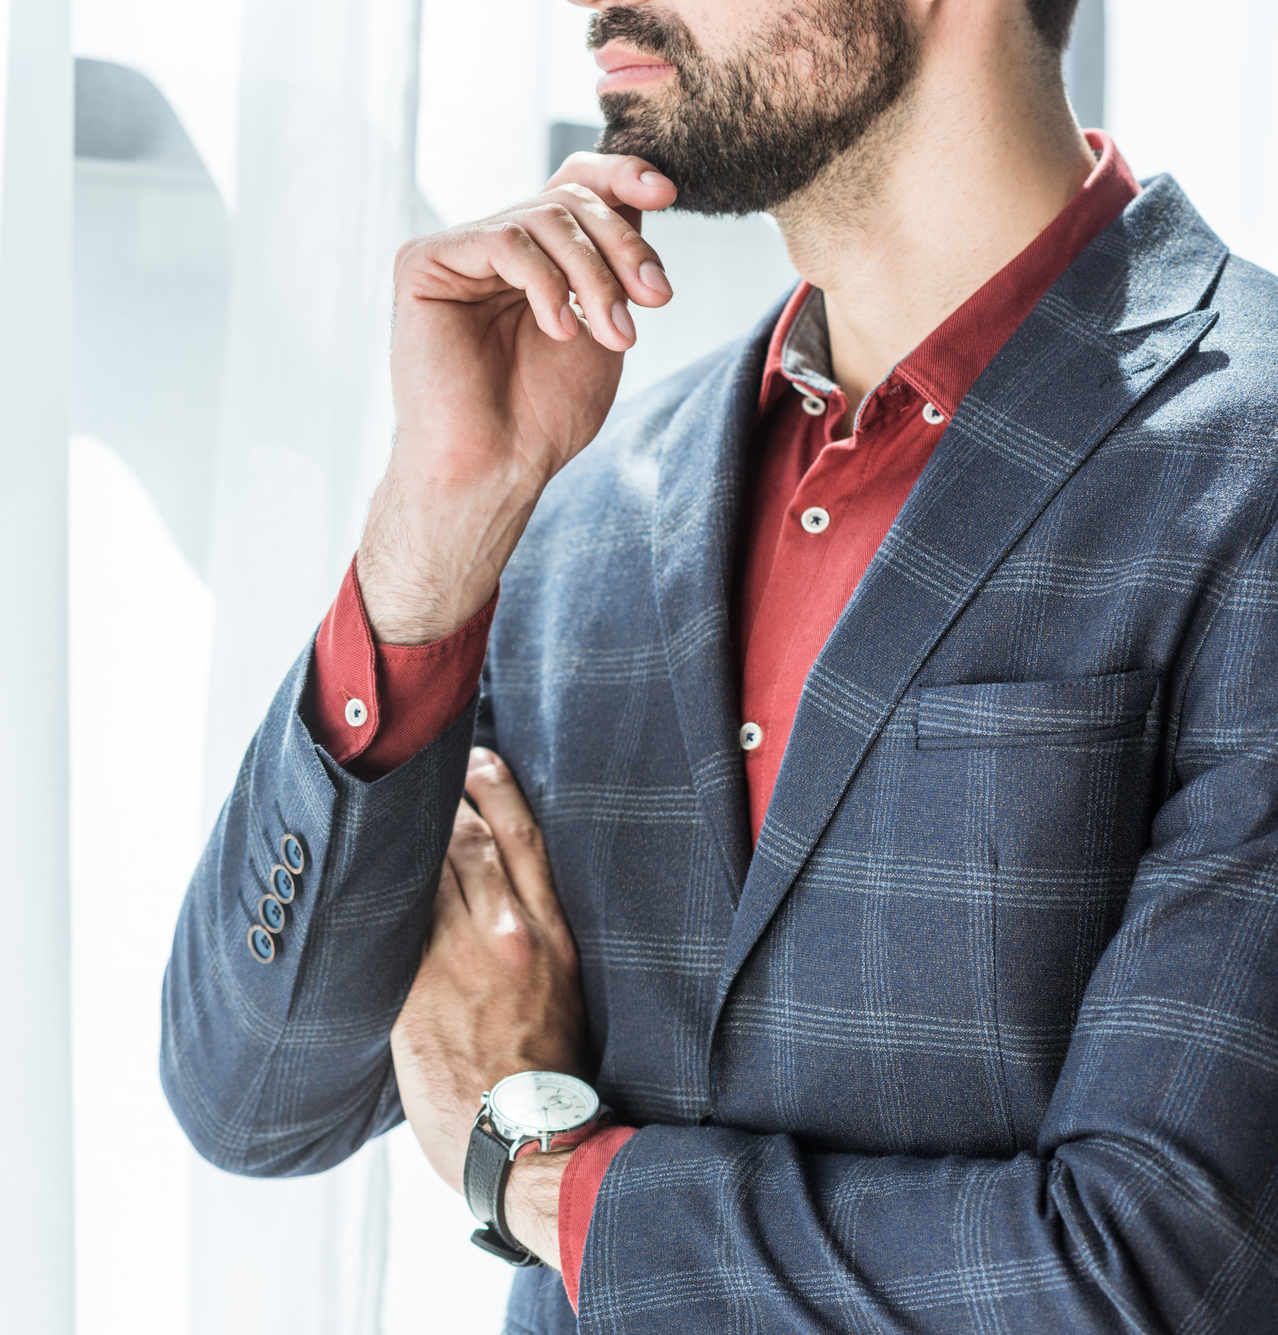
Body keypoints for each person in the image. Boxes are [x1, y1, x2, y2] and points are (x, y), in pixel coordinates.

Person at [161, 0, 1278, 1329]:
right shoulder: (593, 502)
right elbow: (256, 1093)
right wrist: (434, 535)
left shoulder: (1246, 466)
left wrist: (544, 1181)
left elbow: (1147, 1277)